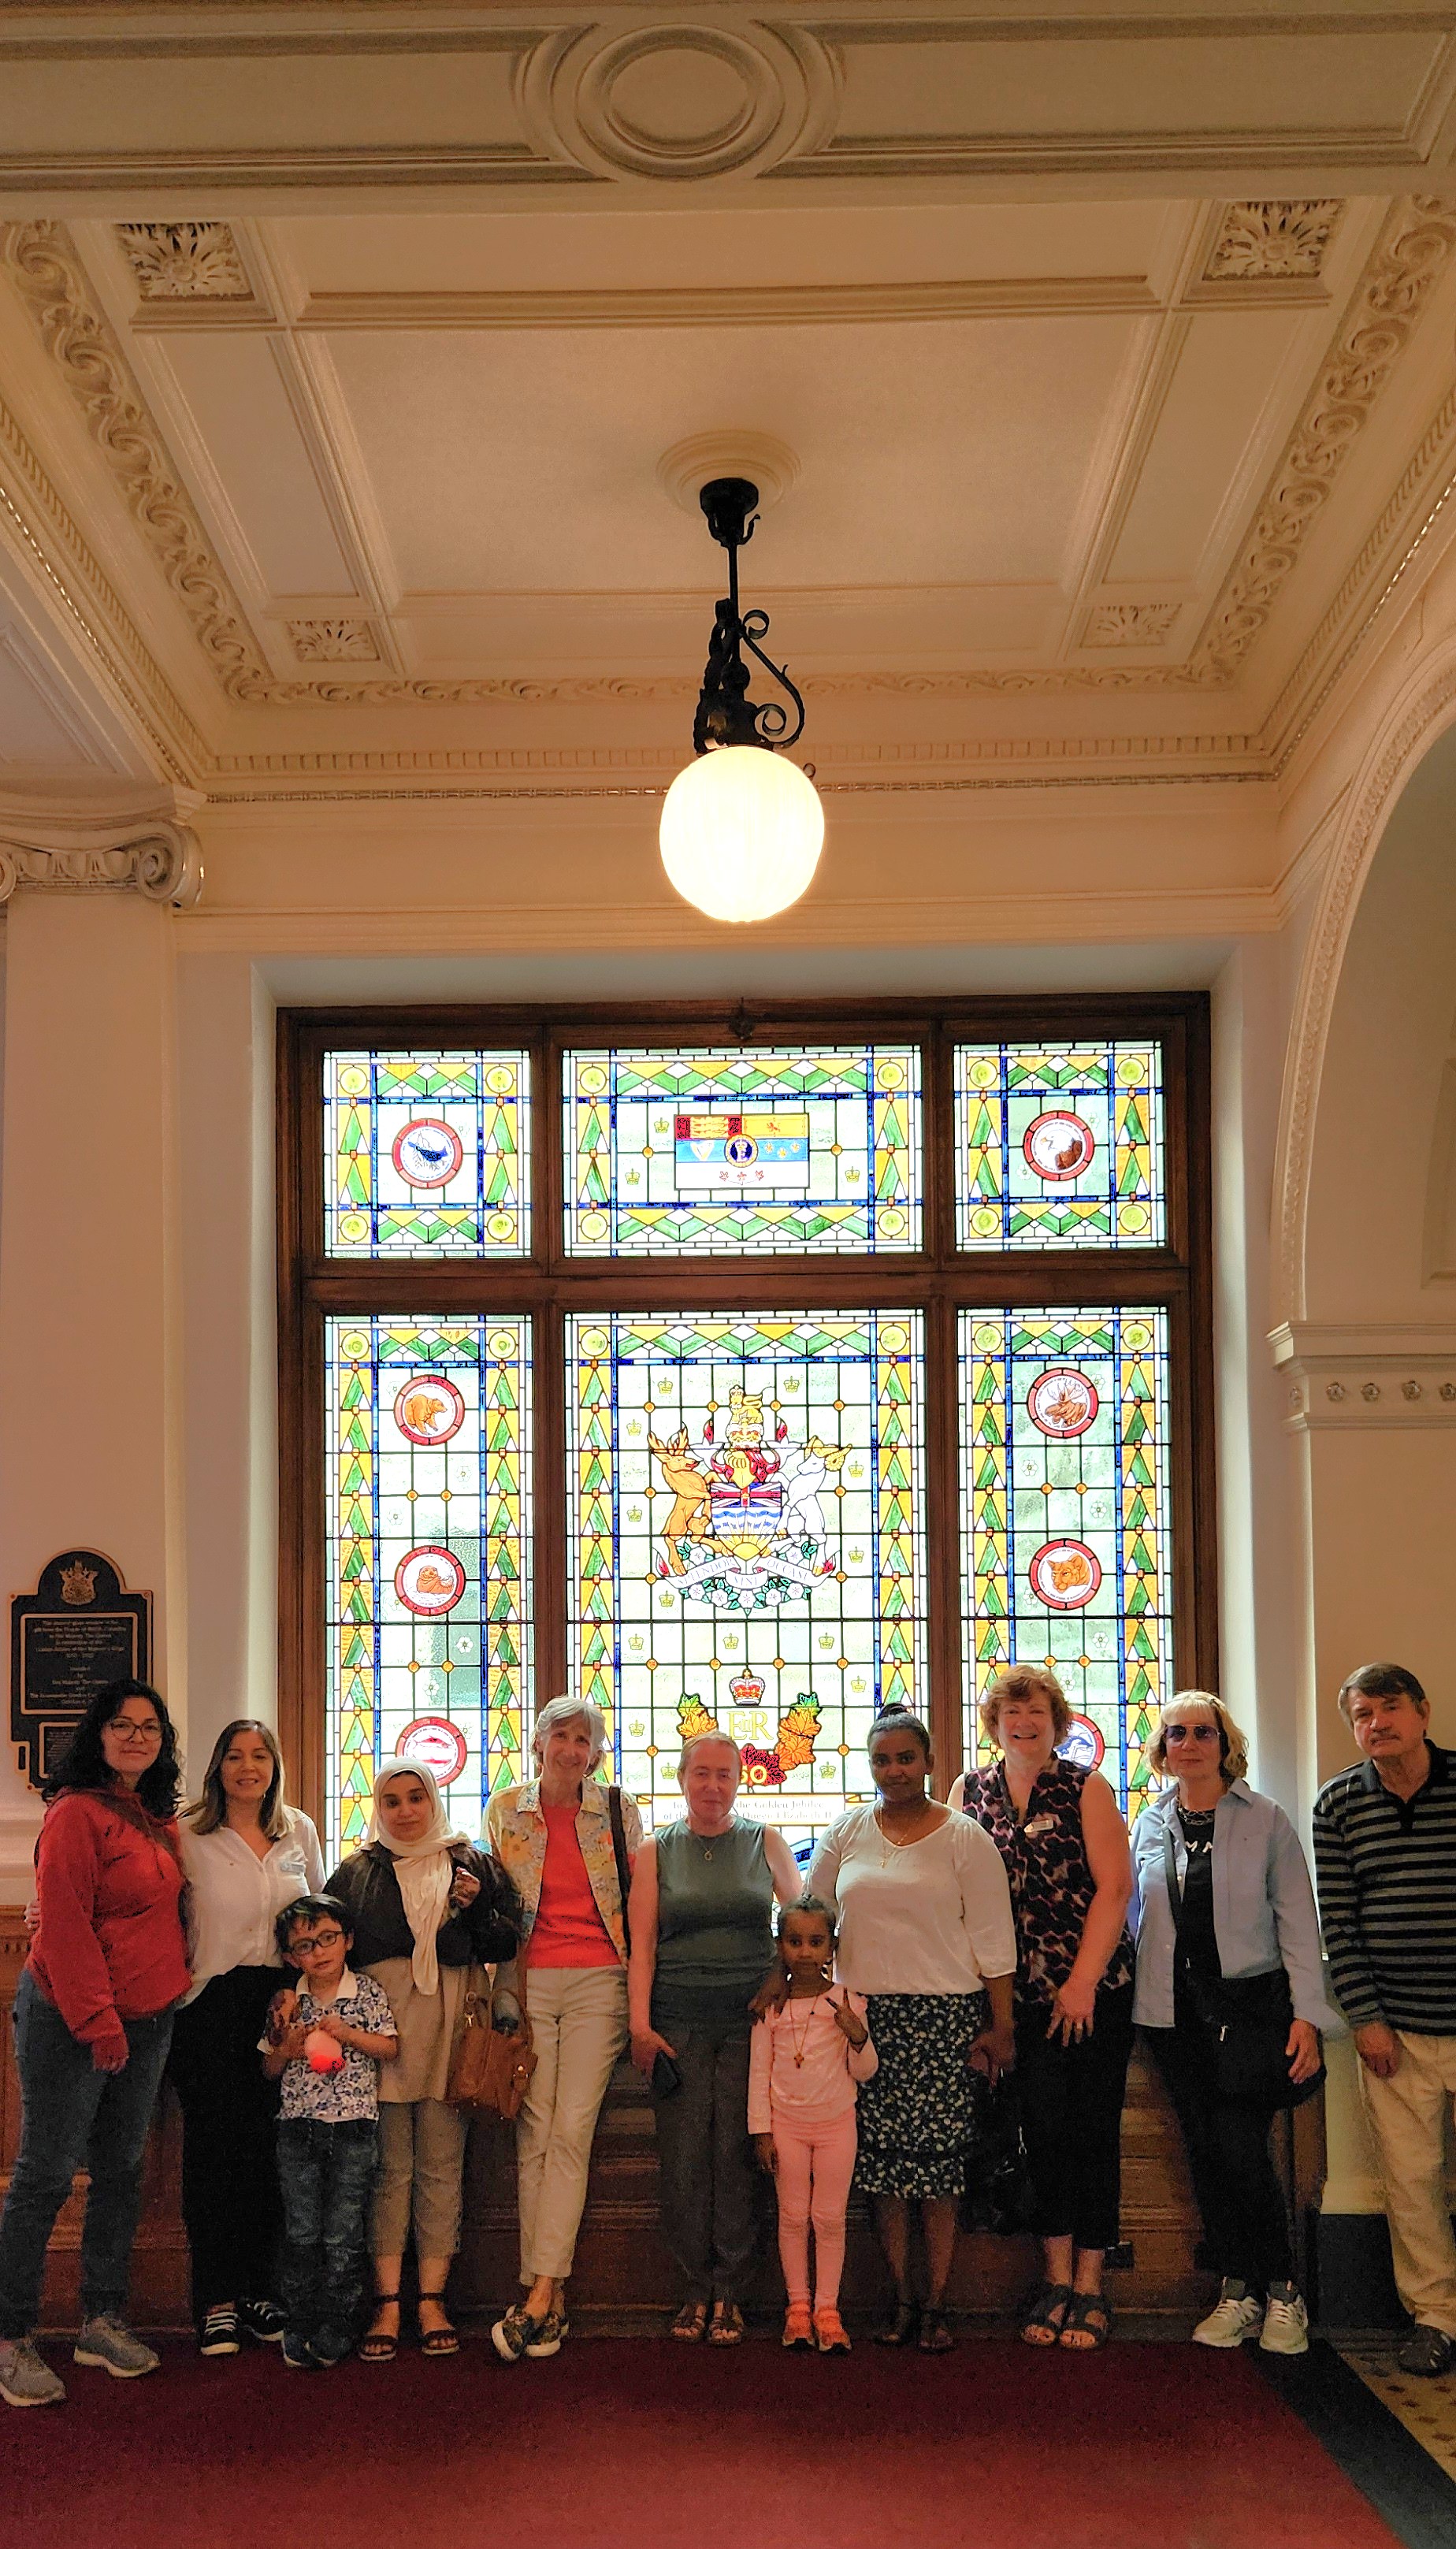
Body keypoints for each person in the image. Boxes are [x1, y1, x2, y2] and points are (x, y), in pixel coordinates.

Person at [0, 1679, 190, 2410]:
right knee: (45, 2173)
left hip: (148, 2017)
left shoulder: (153, 1818)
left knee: (122, 2169)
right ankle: (13, 2333)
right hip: (73, 2019)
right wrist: (97, 2021)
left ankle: (100, 2319)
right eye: (123, 1725)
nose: (137, 1736)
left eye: (150, 1726)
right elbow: (66, 1926)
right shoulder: (76, 1813)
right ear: (98, 1734)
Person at [809, 1704, 1017, 2354]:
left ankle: (938, 2303)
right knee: (882, 2173)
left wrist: (1001, 2024)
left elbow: (994, 1938)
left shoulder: (962, 1836)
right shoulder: (846, 1831)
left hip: (944, 2020)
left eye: (906, 1757)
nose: (894, 1770)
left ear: (928, 1761)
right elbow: (813, 1920)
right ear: (869, 1765)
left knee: (939, 2175)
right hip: (864, 2019)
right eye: (881, 1759)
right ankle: (900, 2297)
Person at [1132, 1692, 1331, 2356]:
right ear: (1162, 1747)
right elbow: (1138, 1920)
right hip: (1174, 2014)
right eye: (1175, 1733)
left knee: (1243, 2151)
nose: (1188, 1743)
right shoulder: (1150, 1822)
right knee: (1205, 2154)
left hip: (1251, 2012)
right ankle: (1236, 2290)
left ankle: (1282, 2289)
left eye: (1202, 1732)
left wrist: (1308, 2014)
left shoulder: (1265, 1818)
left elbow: (1299, 1923)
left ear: (1225, 1743)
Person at [953, 1663, 1135, 2353]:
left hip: (1090, 1994)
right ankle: (1055, 2279)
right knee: (1042, 2135)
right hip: (1011, 1997)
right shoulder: (970, 1790)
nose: (1023, 1724)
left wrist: (1083, 1981)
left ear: (1056, 1722)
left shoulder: (1087, 1786)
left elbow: (1115, 1889)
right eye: (1010, 1714)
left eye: (1036, 1713)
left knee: (1092, 2136)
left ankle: (1092, 2286)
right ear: (994, 1723)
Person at [326, 1756, 519, 2361]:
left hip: (451, 2026)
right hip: (381, 2031)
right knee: (389, 2168)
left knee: (440, 2163)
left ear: (433, 1798)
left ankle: (432, 2296)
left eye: (416, 1796)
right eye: (392, 1800)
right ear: (377, 1808)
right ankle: (387, 2300)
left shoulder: (473, 1861)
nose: (406, 1810)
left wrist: (473, 1907)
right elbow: (329, 1954)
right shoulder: (356, 1871)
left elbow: (505, 1938)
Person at [629, 1730, 800, 2345]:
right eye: (701, 1772)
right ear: (682, 1778)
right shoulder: (655, 1850)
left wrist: (783, 1973)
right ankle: (693, 2289)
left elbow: (805, 1922)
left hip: (751, 2022)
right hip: (675, 2022)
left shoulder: (765, 1841)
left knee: (736, 2152)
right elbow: (642, 1944)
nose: (713, 1785)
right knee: (682, 2161)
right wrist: (639, 2024)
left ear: (739, 1780)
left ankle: (731, 2290)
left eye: (724, 1773)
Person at [486, 1694, 641, 2364]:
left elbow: (640, 1902)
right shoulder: (505, 1808)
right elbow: (492, 1899)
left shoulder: (616, 1809)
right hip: (526, 1979)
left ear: (597, 1752)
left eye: (584, 1739)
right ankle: (547, 2297)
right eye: (561, 1736)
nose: (571, 1749)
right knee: (535, 2129)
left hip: (600, 1979)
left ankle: (540, 2291)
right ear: (539, 1743)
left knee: (571, 2129)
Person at [1313, 1662, 1456, 2376]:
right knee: (1411, 2181)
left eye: (1390, 1707)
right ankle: (1434, 2319)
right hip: (1394, 2031)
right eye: (1363, 1714)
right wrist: (1365, 2019)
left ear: (1424, 1712)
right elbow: (1339, 1920)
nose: (1378, 1723)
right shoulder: (1338, 1802)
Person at [172, 1719, 326, 2356]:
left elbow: (318, 1913)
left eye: (260, 1755)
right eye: (235, 1755)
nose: (248, 1766)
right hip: (209, 2003)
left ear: (274, 1764)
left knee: (273, 2148)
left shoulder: (300, 1829)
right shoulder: (188, 1832)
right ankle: (216, 2298)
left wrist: (303, 1988)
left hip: (282, 1999)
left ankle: (263, 2288)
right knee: (214, 2150)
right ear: (217, 1766)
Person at [262, 1893, 398, 2368]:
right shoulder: (286, 2001)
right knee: (301, 2228)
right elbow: (269, 2068)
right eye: (304, 1945)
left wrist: (348, 2034)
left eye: (327, 1939)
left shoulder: (367, 1992)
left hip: (354, 2127)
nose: (317, 1952)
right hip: (297, 2128)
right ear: (289, 1956)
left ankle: (339, 2321)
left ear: (347, 1941)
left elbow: (389, 2048)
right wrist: (287, 2048)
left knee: (344, 2229)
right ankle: (299, 2318)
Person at [748, 1893, 877, 2354]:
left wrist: (857, 2036)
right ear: (780, 1945)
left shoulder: (847, 2002)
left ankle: (828, 2310)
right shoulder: (772, 2007)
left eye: (816, 1942)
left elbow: (864, 2072)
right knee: (792, 2216)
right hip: (786, 2126)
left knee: (828, 2217)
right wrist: (761, 2131)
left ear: (832, 1947)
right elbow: (759, 2074)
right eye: (794, 1941)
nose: (805, 1951)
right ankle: (797, 2307)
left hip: (837, 2125)